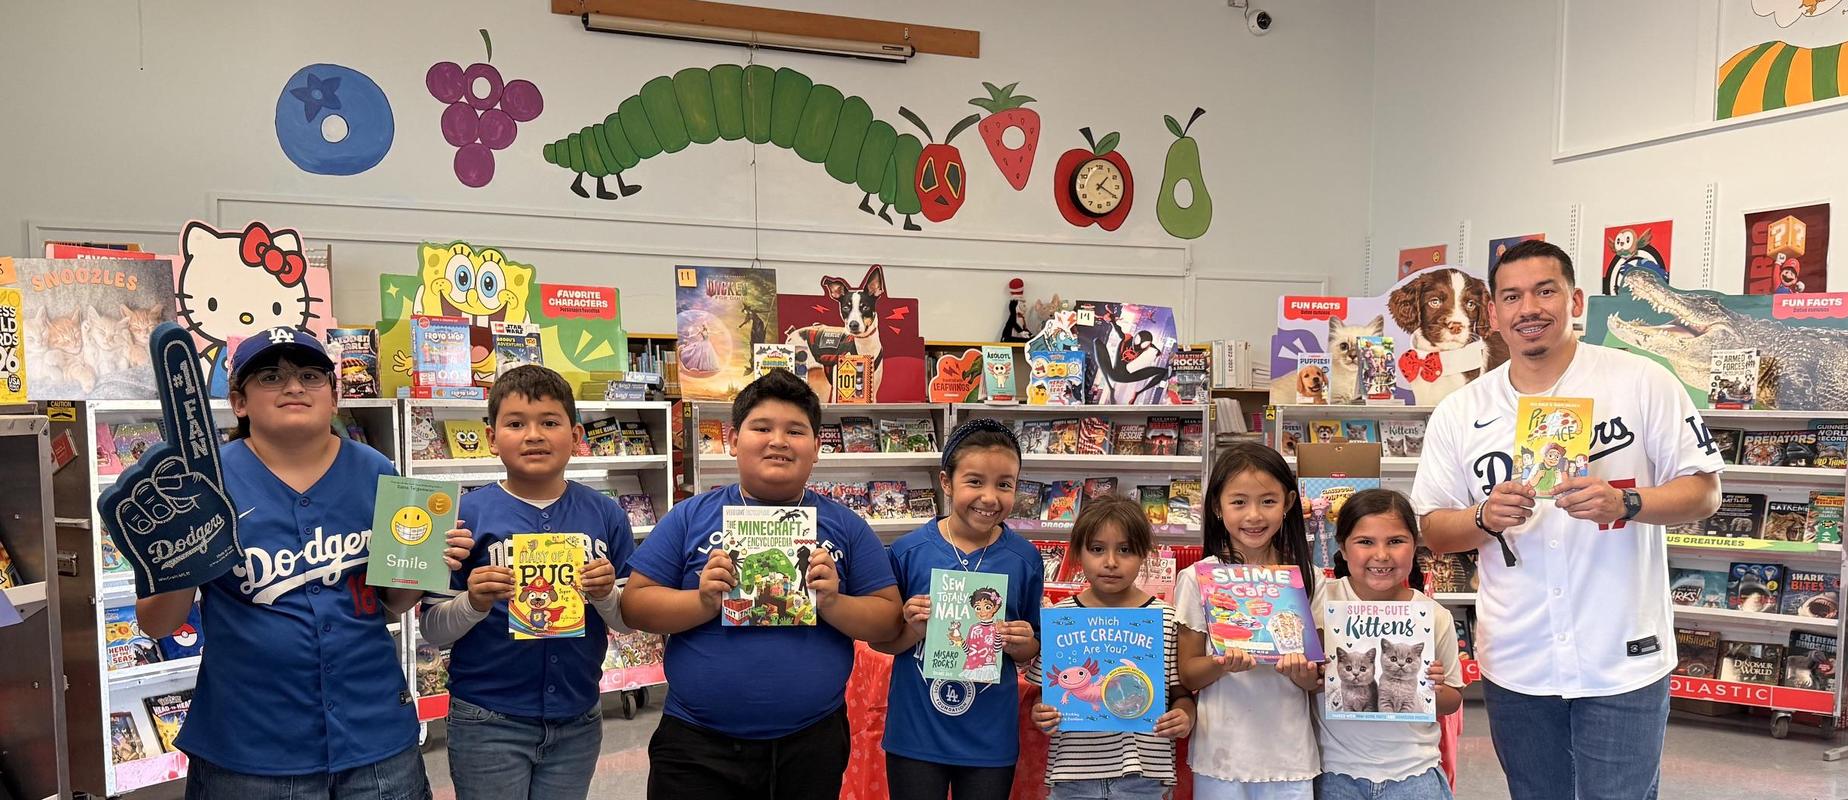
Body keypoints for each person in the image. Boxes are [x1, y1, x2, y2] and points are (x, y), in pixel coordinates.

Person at [1410, 239, 1722, 800]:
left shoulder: (1642, 381)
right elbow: (1431, 526)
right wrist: (1484, 517)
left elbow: (1704, 493)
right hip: (1518, 656)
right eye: (1512, 296)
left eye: (1544, 290)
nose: (1529, 307)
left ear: (1574, 299)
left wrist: (1627, 503)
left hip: (1621, 653)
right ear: (1493, 314)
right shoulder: (1462, 411)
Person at [133, 327, 429, 799]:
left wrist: (426, 560)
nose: (293, 386)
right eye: (270, 376)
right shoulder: (202, 483)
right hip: (250, 749)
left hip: (375, 739)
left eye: (310, 375)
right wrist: (178, 557)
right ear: (239, 402)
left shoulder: (377, 469)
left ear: (334, 397)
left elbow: (395, 603)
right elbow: (158, 624)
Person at [620, 369, 903, 798]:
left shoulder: (845, 526)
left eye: (796, 430)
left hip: (811, 742)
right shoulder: (690, 516)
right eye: (762, 427)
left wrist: (832, 602)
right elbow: (635, 606)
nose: (778, 441)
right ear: (733, 441)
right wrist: (702, 601)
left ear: (816, 448)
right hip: (696, 745)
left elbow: (888, 622)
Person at [418, 365, 634, 800]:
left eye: (549, 423)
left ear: (576, 437)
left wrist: (608, 594)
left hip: (578, 715)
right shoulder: (465, 516)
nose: (533, 435)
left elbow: (629, 621)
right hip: (487, 717)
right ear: (492, 437)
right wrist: (473, 602)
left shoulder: (605, 514)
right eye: (516, 424)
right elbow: (432, 628)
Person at [876, 419, 1043, 800]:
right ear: (946, 483)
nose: (989, 497)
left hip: (989, 737)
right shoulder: (908, 552)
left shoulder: (1025, 559)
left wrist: (1022, 643)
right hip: (916, 732)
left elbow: (1031, 649)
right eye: (974, 481)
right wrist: (912, 628)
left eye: (1004, 484)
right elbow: (883, 643)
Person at [1174, 443, 1322, 799]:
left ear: (1288, 503)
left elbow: (1316, 679)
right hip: (1220, 752)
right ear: (1217, 506)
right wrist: (1221, 663)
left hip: (1289, 754)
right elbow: (1188, 673)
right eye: (1238, 502)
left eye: (1268, 501)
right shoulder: (1198, 578)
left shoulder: (1309, 578)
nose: (1254, 515)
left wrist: (1301, 672)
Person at [1030, 494, 1195, 799]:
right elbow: (1043, 692)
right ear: (1077, 553)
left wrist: (1185, 716)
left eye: (1125, 550)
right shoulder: (1059, 617)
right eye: (1096, 549)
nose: (1110, 562)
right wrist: (1041, 713)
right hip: (1073, 775)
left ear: (1145, 554)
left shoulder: (1166, 619)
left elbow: (1181, 695)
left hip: (1143, 777)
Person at [1311, 489, 1463, 800]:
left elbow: (1453, 700)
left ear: (1414, 545)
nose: (1381, 555)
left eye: (1395, 541)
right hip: (1335, 772)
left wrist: (1434, 687)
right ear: (1342, 547)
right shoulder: (1321, 599)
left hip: (1413, 772)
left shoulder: (1434, 616)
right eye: (1365, 542)